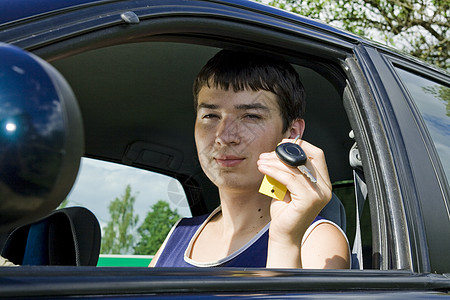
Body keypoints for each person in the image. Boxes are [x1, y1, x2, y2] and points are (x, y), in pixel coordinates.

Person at [150, 50, 350, 268]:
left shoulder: (315, 240)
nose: (224, 137)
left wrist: (284, 241)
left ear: (292, 133)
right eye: (210, 116)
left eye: (251, 116)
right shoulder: (178, 235)